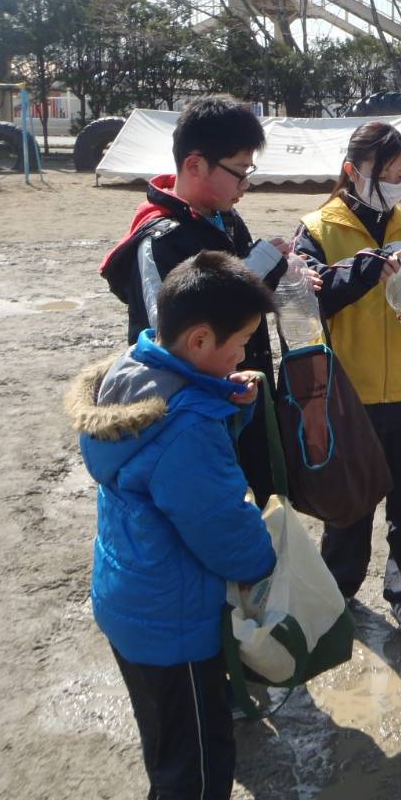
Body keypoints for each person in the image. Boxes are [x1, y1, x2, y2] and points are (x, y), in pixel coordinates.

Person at [65, 251, 278, 800]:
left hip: (128, 601)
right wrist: (265, 563)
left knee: (165, 744)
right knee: (199, 768)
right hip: (174, 623)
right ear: (201, 341)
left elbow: (171, 459)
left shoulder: (135, 376)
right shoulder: (185, 429)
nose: (244, 354)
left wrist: (224, 397)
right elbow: (221, 525)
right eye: (241, 342)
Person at [293, 121, 401, 642]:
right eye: (385, 175)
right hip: (351, 396)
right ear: (353, 172)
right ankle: (339, 593)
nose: (396, 185)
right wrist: (362, 270)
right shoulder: (319, 229)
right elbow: (305, 301)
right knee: (350, 503)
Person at [99, 97, 292, 503]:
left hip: (236, 394)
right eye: (239, 172)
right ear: (194, 164)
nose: (246, 184)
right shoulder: (161, 239)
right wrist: (259, 270)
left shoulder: (225, 218)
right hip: (188, 418)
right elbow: (176, 338)